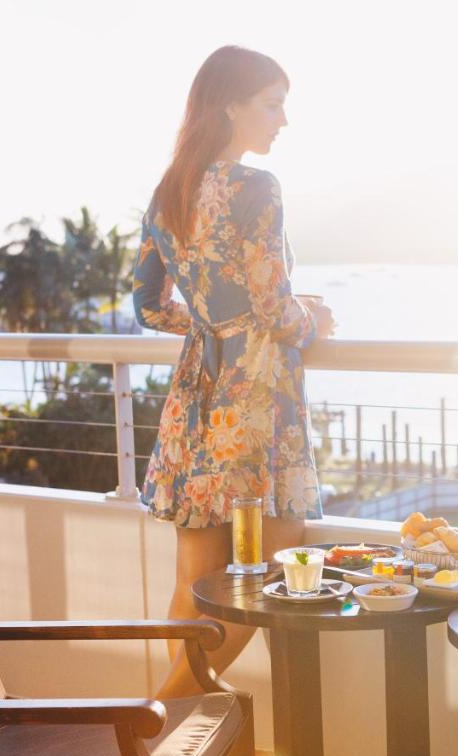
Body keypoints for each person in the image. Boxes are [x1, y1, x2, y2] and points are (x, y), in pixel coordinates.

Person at [132, 45, 334, 698]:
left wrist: (206, 324)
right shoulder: (257, 189)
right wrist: (312, 318)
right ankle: (161, 715)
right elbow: (275, 310)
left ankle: (168, 732)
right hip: (255, 401)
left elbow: (145, 305)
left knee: (194, 574)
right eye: (272, 105)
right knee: (272, 566)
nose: (283, 121)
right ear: (230, 106)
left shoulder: (169, 192)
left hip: (197, 393)